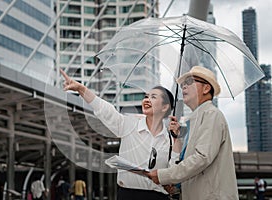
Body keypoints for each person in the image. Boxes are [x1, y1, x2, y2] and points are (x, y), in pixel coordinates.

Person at [60, 69, 181, 200]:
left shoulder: (171, 139)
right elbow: (106, 111)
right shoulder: (129, 124)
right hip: (128, 195)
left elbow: (174, 173)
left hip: (158, 197)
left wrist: (171, 182)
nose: (146, 99)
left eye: (153, 97)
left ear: (165, 107)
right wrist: (81, 89)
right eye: (146, 96)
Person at [146, 66, 239, 200]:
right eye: (183, 84)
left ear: (206, 88)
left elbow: (201, 158)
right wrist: (176, 185)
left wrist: (164, 176)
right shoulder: (195, 120)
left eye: (189, 82)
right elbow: (193, 165)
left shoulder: (211, 115)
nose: (184, 87)